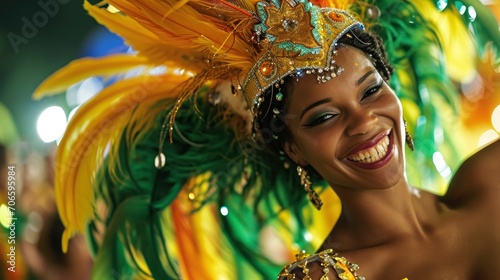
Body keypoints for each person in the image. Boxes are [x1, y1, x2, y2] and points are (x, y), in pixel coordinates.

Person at [33, 0, 500, 279]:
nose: (364, 122)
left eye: (372, 89)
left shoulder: (491, 176)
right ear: (293, 147)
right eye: (323, 117)